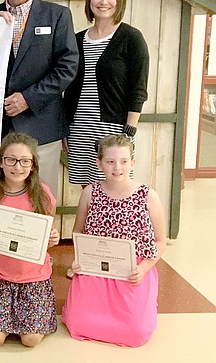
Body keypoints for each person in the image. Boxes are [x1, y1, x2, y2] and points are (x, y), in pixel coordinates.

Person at [0, 0, 78, 198]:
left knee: (42, 200)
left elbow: (67, 66)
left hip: (42, 127)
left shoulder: (57, 16)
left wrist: (28, 99)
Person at [61, 135, 166, 347]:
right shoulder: (90, 192)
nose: (117, 167)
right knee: (76, 323)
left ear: (132, 163)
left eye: (124, 161)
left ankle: (144, 305)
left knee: (137, 332)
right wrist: (79, 262)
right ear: (99, 163)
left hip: (132, 270)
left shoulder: (148, 195)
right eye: (110, 161)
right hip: (96, 267)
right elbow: (78, 233)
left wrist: (145, 268)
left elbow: (160, 240)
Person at [0, 132, 60, 347]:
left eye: (24, 161)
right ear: (1, 162)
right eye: (11, 159)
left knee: (30, 339)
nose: (17, 167)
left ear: (33, 165)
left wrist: (52, 238)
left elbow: (45, 237)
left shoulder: (43, 194)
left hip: (32, 275)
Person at [64, 0, 149, 186]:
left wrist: (128, 132)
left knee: (115, 190)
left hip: (112, 129)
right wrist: (65, 127)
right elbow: (69, 88)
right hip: (80, 127)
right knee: (88, 191)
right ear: (89, 0)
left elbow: (138, 88)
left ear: (119, 0)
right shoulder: (76, 40)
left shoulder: (131, 38)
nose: (103, 2)